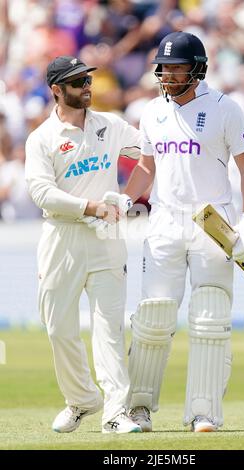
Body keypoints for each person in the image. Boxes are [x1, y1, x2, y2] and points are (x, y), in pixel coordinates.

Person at [102, 32, 244, 433]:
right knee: (153, 315)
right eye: (164, 67)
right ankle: (137, 408)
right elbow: (146, 168)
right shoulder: (152, 110)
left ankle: (204, 413)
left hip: (213, 221)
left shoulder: (226, 109)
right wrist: (126, 199)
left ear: (197, 69)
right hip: (165, 220)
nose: (168, 74)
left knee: (210, 315)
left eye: (176, 67)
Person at [25, 55, 142, 434]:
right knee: (58, 327)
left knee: (109, 328)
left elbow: (151, 156)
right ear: (57, 90)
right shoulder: (42, 138)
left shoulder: (111, 125)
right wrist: (89, 206)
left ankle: (115, 411)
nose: (86, 87)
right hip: (62, 237)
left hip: (107, 239)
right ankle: (81, 400)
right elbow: (41, 192)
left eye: (87, 80)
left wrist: (132, 196)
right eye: (76, 83)